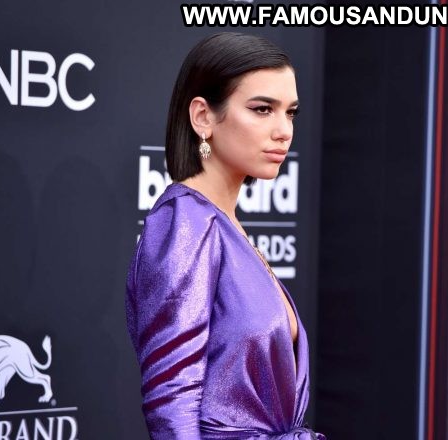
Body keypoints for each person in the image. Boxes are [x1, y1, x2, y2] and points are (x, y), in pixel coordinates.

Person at [125, 32, 325, 439]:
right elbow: (172, 406)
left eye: (290, 113)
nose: (284, 131)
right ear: (203, 117)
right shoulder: (184, 223)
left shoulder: (223, 222)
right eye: (262, 109)